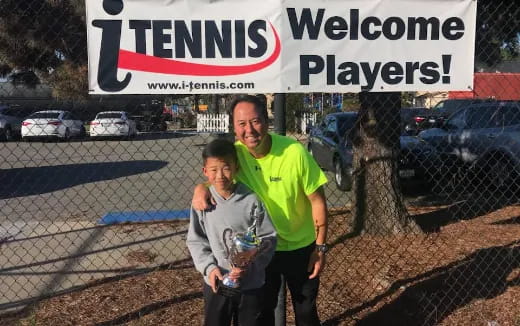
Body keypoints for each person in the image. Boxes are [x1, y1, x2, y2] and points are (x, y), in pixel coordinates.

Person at [192, 95, 329, 326]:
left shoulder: (294, 152)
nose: (250, 130)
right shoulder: (235, 154)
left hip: (301, 246)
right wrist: (200, 188)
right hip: (264, 250)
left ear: (267, 120)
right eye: (242, 124)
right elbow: (217, 175)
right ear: (234, 127)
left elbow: (318, 201)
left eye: (255, 121)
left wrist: (320, 247)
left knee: (306, 313)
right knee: (263, 312)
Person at [186, 138, 277, 326]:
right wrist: (209, 269)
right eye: (213, 170)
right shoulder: (202, 204)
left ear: (237, 168)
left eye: (226, 168)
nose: (220, 175)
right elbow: (196, 241)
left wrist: (249, 265)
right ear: (205, 171)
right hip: (217, 283)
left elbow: (268, 238)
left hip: (250, 284)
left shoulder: (251, 200)